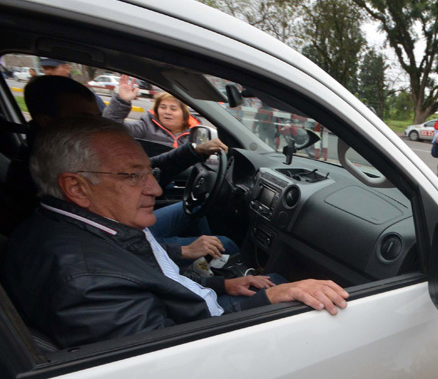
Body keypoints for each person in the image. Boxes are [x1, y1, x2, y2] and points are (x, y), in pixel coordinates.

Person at [2, 116, 349, 348]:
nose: (154, 187)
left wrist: (223, 284)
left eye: (149, 171)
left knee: (269, 278)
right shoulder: (88, 284)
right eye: (134, 175)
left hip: (199, 309)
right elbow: (177, 356)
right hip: (208, 332)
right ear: (77, 188)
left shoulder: (67, 228)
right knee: (288, 289)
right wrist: (266, 300)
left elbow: (153, 279)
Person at [1, 76, 231, 262]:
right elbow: (105, 248)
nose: (97, 125)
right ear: (46, 122)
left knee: (194, 210)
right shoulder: (42, 175)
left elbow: (151, 168)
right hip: (127, 245)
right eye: (82, 119)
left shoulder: (67, 151)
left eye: (97, 117)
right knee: (224, 243)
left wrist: (193, 151)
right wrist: (182, 252)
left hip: (128, 237)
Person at [103, 74, 198, 148]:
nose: (167, 112)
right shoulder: (145, 127)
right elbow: (110, 127)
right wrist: (122, 100)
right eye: (163, 107)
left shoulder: (196, 133)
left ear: (184, 114)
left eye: (173, 109)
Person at [39, 57, 105, 112]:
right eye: (45, 68)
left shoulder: (86, 96)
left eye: (52, 68)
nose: (48, 72)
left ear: (67, 68)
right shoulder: (44, 97)